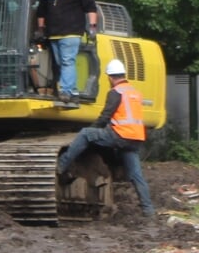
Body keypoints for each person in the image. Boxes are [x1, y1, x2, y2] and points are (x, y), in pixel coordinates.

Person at [57, 58, 154, 216]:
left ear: (110, 77)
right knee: (136, 175)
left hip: (120, 135)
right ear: (123, 74)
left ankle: (62, 165)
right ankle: (148, 210)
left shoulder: (116, 92)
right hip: (135, 139)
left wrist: (92, 129)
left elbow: (105, 117)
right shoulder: (134, 92)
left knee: (85, 134)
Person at [35, 0, 97, 100]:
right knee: (61, 63)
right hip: (53, 32)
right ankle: (72, 90)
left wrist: (92, 27)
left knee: (67, 61)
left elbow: (90, 7)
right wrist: (41, 29)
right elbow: (42, 9)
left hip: (71, 31)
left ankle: (66, 91)